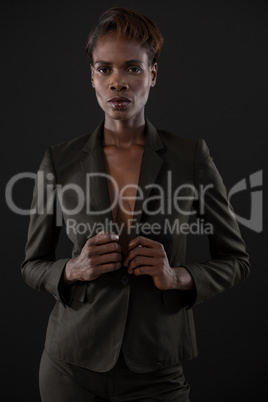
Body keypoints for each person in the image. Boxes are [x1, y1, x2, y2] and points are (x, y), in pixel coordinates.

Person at [21, 7, 250, 402]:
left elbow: (236, 261)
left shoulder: (190, 157)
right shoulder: (60, 160)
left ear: (153, 75)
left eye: (132, 68)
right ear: (91, 77)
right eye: (104, 69)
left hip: (157, 369)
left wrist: (178, 277)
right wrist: (72, 269)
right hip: (70, 366)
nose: (117, 83)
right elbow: (32, 265)